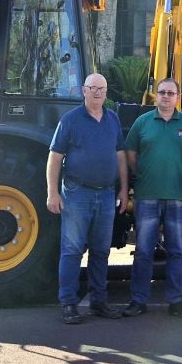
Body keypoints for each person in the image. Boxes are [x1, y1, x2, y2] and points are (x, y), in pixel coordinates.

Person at [46, 73, 129, 325]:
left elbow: (121, 156)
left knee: (101, 251)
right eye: (92, 88)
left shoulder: (112, 119)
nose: (97, 93)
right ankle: (69, 304)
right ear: (83, 91)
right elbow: (55, 157)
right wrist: (52, 192)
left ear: (106, 92)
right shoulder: (70, 120)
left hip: (106, 194)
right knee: (71, 251)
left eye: (101, 89)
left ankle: (98, 302)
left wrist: (123, 189)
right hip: (77, 193)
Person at [122, 78, 182, 318]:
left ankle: (177, 301)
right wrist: (144, 176)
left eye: (171, 93)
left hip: (177, 196)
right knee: (144, 250)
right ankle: (138, 300)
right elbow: (131, 154)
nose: (166, 97)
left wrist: (180, 175)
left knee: (177, 250)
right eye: (162, 93)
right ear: (155, 96)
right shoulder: (142, 122)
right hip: (147, 196)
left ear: (178, 96)